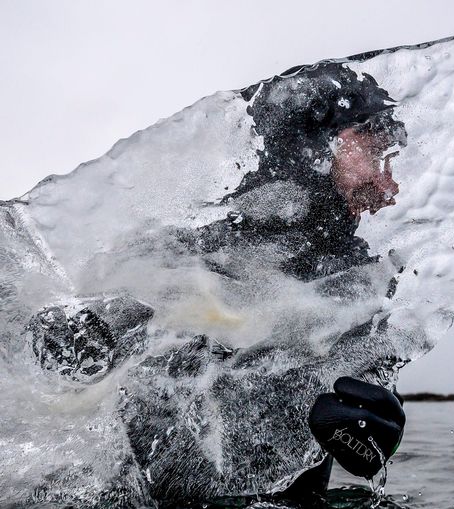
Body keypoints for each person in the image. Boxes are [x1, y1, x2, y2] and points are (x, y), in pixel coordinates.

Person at [26, 61, 409, 506]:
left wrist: (382, 428)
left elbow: (375, 389)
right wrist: (71, 330)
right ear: (317, 148)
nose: (391, 186)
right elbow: (79, 341)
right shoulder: (195, 243)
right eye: (379, 155)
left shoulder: (357, 281)